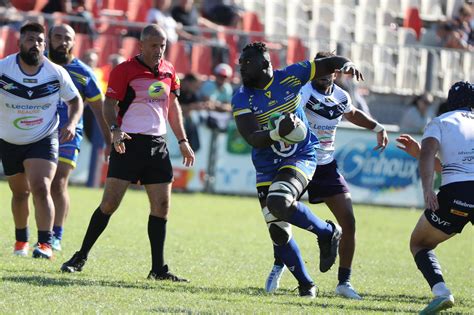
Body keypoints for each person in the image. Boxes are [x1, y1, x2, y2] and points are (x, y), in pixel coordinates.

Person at [60, 25, 195, 282]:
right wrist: (115, 130)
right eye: (154, 46)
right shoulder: (124, 70)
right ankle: (80, 257)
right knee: (110, 204)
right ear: (141, 46)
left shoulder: (169, 71)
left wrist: (183, 140)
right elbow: (109, 105)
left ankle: (158, 269)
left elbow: (173, 108)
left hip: (158, 145)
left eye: (163, 45)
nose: (159, 51)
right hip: (128, 143)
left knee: (162, 207)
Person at [232, 41, 363, 298]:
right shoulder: (241, 96)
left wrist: (345, 63)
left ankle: (327, 232)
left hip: (300, 155)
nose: (242, 68)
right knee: (277, 231)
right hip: (267, 165)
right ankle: (306, 284)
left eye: (248, 63)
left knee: (279, 201)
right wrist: (276, 132)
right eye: (241, 63)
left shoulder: (292, 76)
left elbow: (328, 64)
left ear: (266, 64)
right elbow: (252, 137)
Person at [265, 51, 389, 299]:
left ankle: (344, 283)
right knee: (280, 212)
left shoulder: (341, 96)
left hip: (326, 166)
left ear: (334, 71)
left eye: (328, 69)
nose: (324, 74)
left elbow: (351, 113)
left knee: (349, 222)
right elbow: (287, 116)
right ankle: (280, 264)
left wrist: (377, 126)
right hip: (298, 161)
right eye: (319, 69)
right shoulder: (303, 93)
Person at [0, 22, 83, 259]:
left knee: (40, 186)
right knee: (19, 193)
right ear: (19, 43)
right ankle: (21, 240)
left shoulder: (55, 72)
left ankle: (45, 244)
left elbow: (76, 101)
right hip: (9, 138)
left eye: (39, 41)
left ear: (44, 45)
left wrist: (71, 123)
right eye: (29, 40)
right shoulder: (4, 69)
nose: (35, 45)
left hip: (43, 136)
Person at [407, 81, 473, 314]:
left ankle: (442, 292)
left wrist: (427, 189)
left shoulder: (440, 122)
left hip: (458, 195)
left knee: (420, 244)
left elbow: (428, 155)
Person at [47, 24, 111, 251]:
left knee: (58, 183)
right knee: (35, 185)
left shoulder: (83, 73)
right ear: (48, 38)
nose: (62, 42)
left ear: (74, 43)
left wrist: (108, 142)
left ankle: (55, 236)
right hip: (37, 132)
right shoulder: (37, 65)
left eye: (68, 38)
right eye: (58, 36)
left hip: (69, 133)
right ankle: (33, 235)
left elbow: (99, 108)